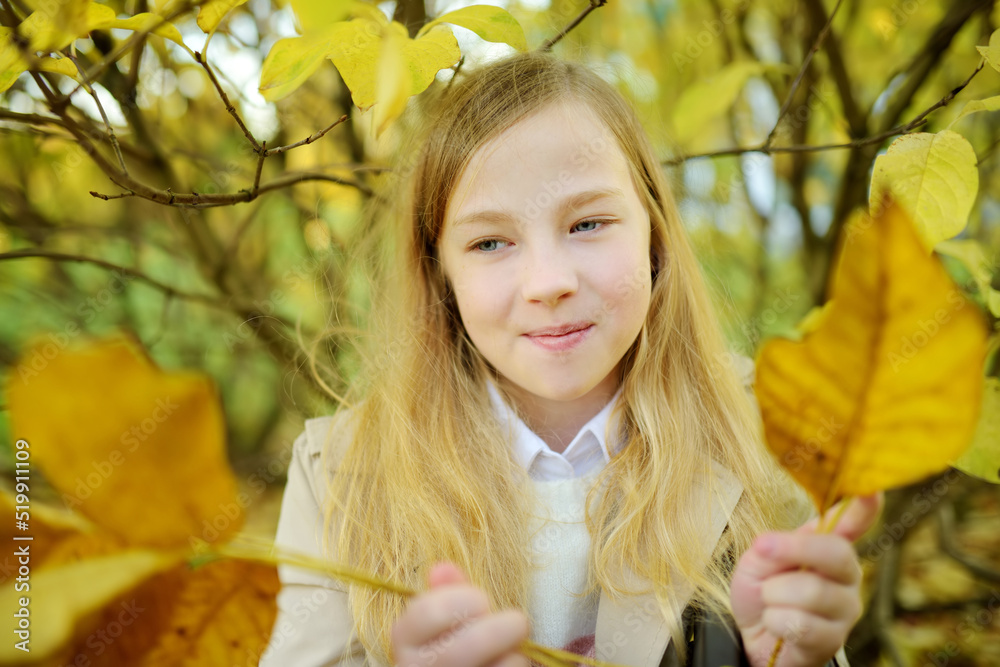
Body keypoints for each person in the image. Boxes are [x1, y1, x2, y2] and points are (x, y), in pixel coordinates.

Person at [259, 50, 881, 667]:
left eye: (587, 224)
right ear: (440, 272)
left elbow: (793, 635)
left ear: (654, 236)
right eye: (490, 241)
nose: (547, 281)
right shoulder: (339, 477)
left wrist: (789, 659)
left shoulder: (761, 431)